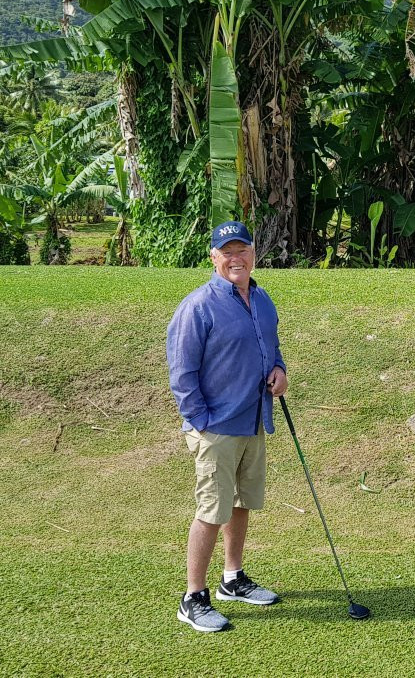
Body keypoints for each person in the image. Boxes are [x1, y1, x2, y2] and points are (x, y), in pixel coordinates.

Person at [167, 221, 288, 632]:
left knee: (241, 503)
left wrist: (279, 371)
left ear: (254, 254)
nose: (236, 258)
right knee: (211, 510)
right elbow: (182, 372)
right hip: (215, 427)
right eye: (227, 252)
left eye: (243, 251)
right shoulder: (198, 305)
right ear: (214, 258)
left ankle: (232, 579)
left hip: (253, 421)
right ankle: (193, 597)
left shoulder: (261, 297)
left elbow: (271, 349)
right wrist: (200, 421)